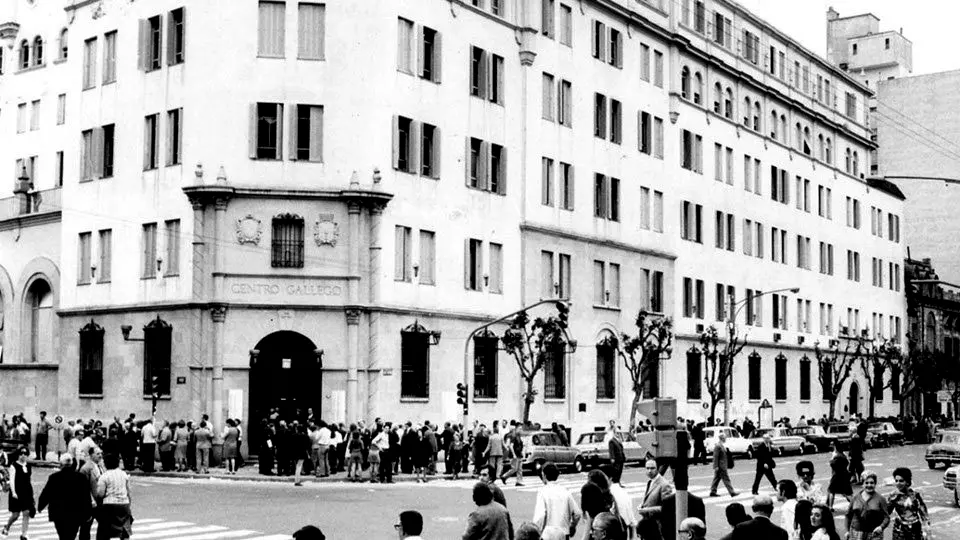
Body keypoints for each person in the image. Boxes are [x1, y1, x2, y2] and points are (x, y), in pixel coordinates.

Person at [37, 454, 92, 540]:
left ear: (61, 464)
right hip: (76, 513)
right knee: (71, 535)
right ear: (71, 464)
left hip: (59, 514)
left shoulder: (54, 478)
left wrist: (40, 506)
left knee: (62, 535)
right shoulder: (81, 478)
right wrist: (88, 512)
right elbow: (86, 497)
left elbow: (46, 493)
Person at [531, 463, 580, 540]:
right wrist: (572, 525)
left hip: (547, 534)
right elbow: (577, 513)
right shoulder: (565, 491)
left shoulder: (543, 492)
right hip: (564, 533)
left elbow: (540, 516)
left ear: (544, 475)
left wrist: (536, 531)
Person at [96, 453, 133, 540]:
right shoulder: (124, 474)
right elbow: (128, 491)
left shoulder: (104, 476)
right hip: (124, 503)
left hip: (109, 504)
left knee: (105, 528)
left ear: (106, 464)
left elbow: (100, 493)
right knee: (124, 527)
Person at [886, 467, 929, 540]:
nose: (898, 483)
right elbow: (887, 512)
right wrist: (892, 501)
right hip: (900, 530)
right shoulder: (893, 495)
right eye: (896, 481)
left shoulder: (915, 495)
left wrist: (927, 530)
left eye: (901, 481)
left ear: (907, 482)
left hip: (915, 529)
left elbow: (923, 513)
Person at [845, 471, 890, 540]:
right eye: (866, 483)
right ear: (862, 484)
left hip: (874, 534)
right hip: (856, 533)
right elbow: (848, 515)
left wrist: (881, 527)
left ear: (875, 484)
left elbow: (886, 517)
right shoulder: (855, 498)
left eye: (872, 483)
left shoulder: (880, 499)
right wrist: (847, 531)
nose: (869, 485)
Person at [636, 459, 673, 540]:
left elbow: (666, 508)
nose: (649, 471)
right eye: (647, 468)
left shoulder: (664, 484)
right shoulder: (650, 481)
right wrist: (642, 505)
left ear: (658, 468)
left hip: (656, 526)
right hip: (648, 523)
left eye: (652, 468)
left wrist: (646, 510)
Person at [3, 447, 35, 539]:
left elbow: (28, 480)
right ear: (18, 455)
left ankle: (24, 534)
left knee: (27, 512)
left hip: (27, 492)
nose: (23, 455)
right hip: (17, 492)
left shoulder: (28, 466)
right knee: (15, 515)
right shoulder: (14, 466)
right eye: (21, 454)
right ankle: (7, 527)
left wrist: (31, 493)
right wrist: (13, 492)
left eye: (25, 454)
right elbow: (12, 480)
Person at [599, 464, 635, 539]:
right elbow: (632, 522)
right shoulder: (624, 493)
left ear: (610, 479)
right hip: (624, 532)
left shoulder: (608, 494)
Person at [79, 446, 104, 540]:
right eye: (98, 454)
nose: (100, 455)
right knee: (86, 526)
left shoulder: (101, 466)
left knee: (103, 524)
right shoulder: (85, 469)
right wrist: (91, 500)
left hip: (101, 502)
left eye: (101, 453)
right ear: (91, 455)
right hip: (90, 503)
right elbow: (83, 487)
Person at [709, 432, 738, 497]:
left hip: (721, 465)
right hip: (721, 466)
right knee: (726, 479)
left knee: (716, 479)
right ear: (722, 438)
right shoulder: (718, 446)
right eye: (725, 438)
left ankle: (713, 491)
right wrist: (716, 466)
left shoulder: (721, 445)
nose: (726, 439)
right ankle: (732, 492)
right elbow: (715, 456)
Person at [826, 443, 852, 509]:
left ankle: (830, 506)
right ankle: (854, 504)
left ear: (836, 449)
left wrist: (832, 459)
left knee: (831, 491)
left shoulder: (836, 457)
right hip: (845, 475)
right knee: (847, 492)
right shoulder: (844, 456)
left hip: (836, 476)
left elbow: (832, 464)